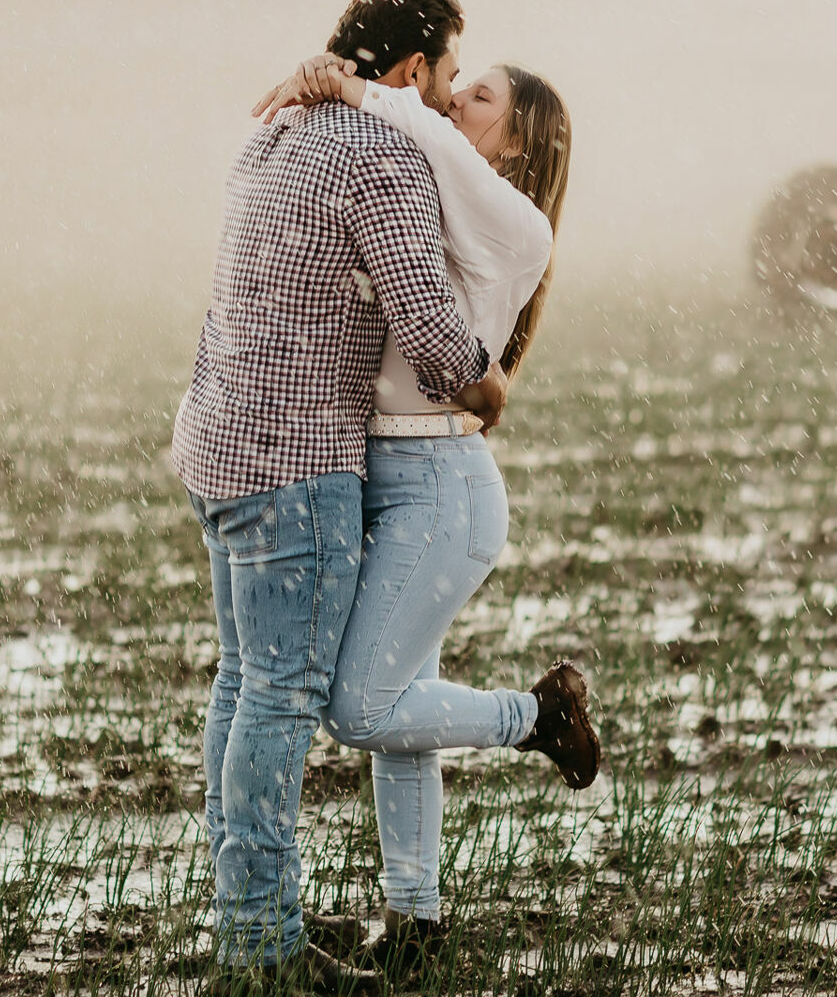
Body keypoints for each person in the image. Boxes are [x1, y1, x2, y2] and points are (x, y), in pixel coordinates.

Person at [169, 0, 510, 995]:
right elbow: (428, 321)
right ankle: (263, 945)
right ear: (412, 70)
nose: (452, 96)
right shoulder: (382, 153)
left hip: (219, 443)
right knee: (279, 699)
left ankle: (250, 919)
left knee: (241, 685)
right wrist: (487, 382)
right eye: (450, 72)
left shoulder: (274, 132)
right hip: (297, 463)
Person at [248, 52, 600, 983]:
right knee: (402, 713)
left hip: (441, 489)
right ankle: (418, 924)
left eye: (476, 96)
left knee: (361, 707)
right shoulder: (441, 197)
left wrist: (359, 86)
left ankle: (537, 715)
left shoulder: (516, 223)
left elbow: (429, 136)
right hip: (389, 478)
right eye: (454, 83)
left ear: (518, 140)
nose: (449, 101)